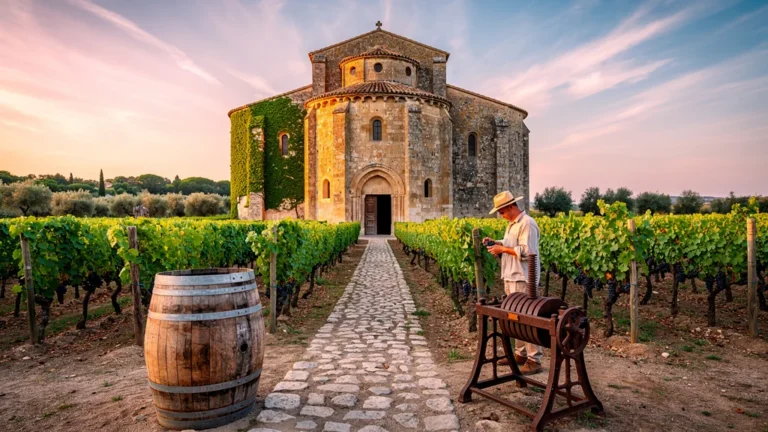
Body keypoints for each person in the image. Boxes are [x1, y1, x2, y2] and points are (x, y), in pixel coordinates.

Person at [484, 190, 543, 375]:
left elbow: (527, 251)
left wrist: (503, 249)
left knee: (527, 318)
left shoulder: (527, 223)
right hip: (510, 275)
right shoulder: (512, 224)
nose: (501, 216)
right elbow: (511, 244)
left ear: (511, 206)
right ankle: (520, 354)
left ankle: (534, 359)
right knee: (515, 317)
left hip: (523, 277)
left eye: (502, 212)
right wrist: (497, 242)